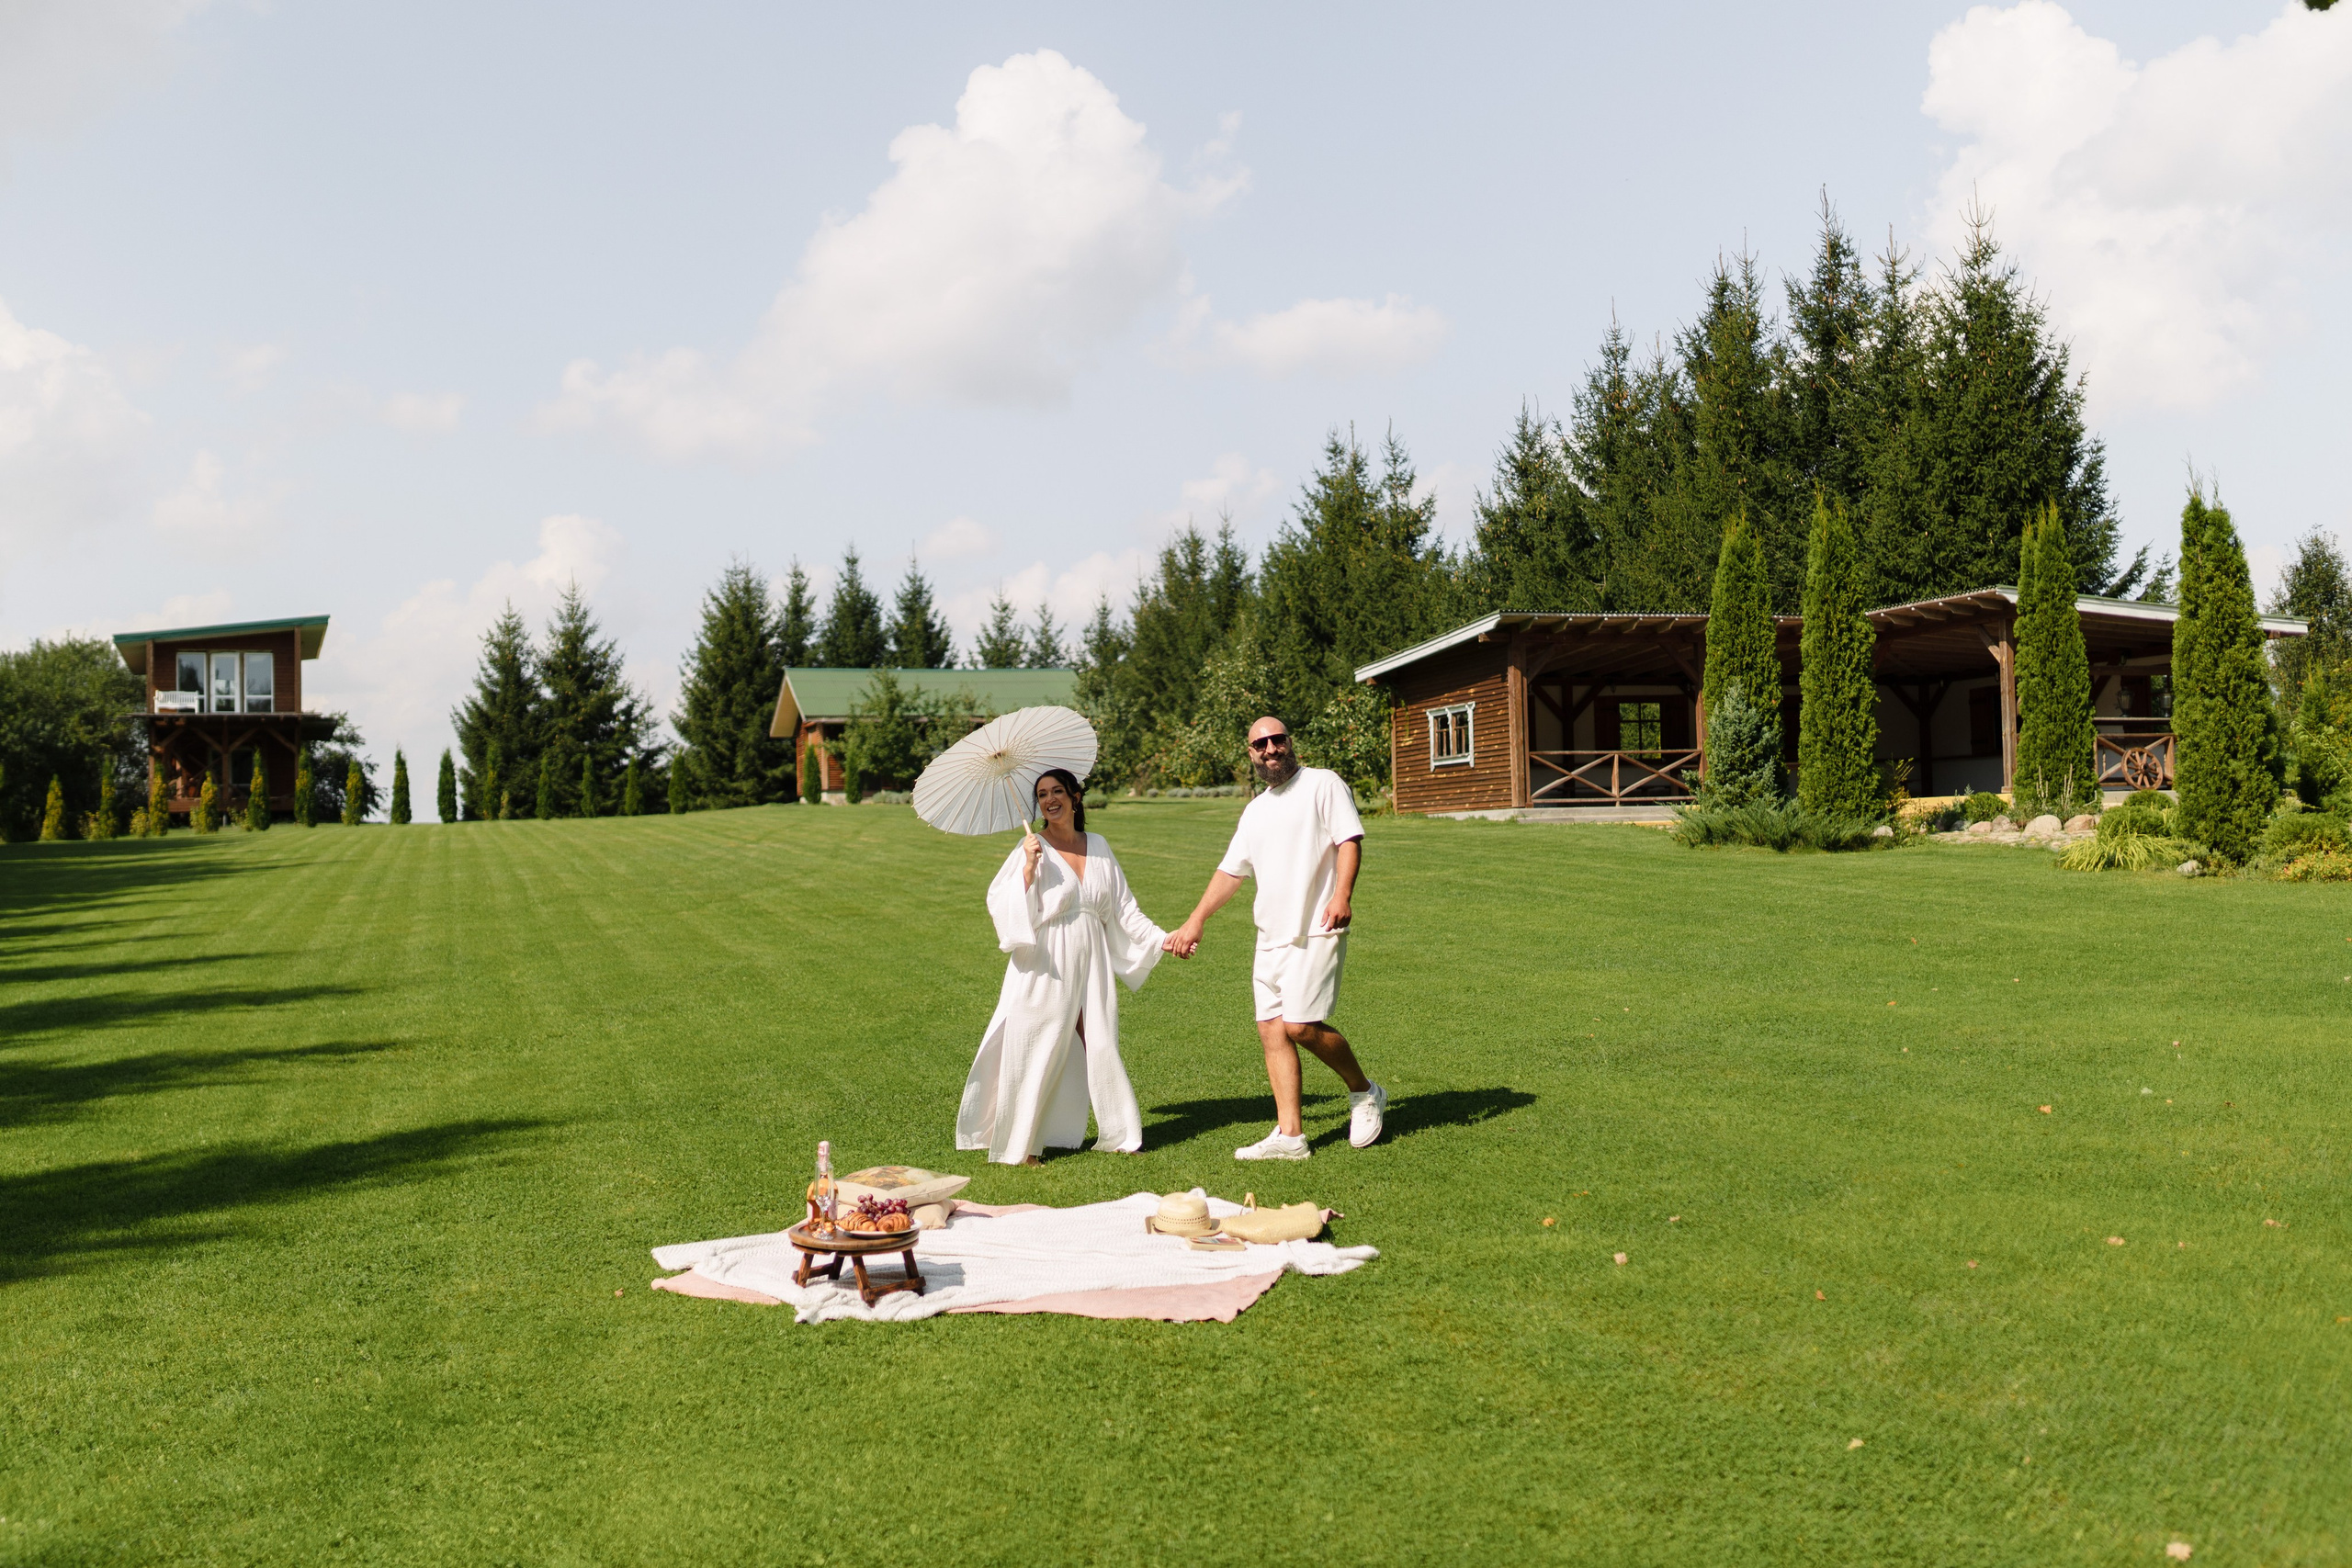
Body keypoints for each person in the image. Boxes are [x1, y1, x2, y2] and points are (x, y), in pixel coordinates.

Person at [1164, 716, 1386, 1160]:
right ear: (1251, 754)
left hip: (1316, 928)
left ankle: (1365, 1092)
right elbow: (1231, 872)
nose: (1270, 748)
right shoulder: (1255, 811)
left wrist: (1342, 895)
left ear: (1289, 742)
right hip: (1269, 935)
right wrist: (1196, 920)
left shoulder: (1323, 784)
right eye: (1260, 744)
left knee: (1300, 1026)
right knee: (1272, 1032)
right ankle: (1290, 1138)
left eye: (1276, 739)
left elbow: (1349, 841)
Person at [956, 768, 1167, 1165]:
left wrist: (1162, 939)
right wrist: (1028, 870)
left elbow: (1124, 910)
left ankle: (1122, 1134)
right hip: (1047, 960)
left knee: (1102, 1039)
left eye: (1057, 791)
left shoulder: (1099, 845)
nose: (1050, 800)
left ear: (1075, 796)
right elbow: (1001, 905)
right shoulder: (1031, 849)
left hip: (1093, 957)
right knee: (1039, 1045)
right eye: (1041, 795)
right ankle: (1021, 1147)